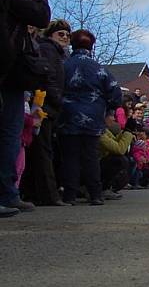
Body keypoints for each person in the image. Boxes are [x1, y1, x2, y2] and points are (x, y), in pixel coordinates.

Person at [0, 0, 50, 217]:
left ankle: (7, 191)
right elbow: (39, 17)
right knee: (7, 128)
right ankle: (5, 192)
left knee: (11, 128)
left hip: (11, 63)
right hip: (7, 60)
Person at [58, 30, 122, 205]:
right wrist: (108, 110)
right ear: (91, 46)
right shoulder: (100, 69)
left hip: (67, 116)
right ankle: (95, 194)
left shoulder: (64, 65)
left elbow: (54, 86)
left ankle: (69, 195)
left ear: (72, 44)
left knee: (70, 156)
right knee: (90, 156)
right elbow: (116, 93)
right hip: (93, 118)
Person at [19, 20, 70, 206]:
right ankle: (49, 195)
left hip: (48, 105)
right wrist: (55, 99)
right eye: (61, 34)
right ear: (51, 35)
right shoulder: (49, 50)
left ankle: (33, 192)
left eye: (67, 34)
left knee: (39, 150)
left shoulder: (57, 53)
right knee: (43, 150)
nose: (65, 37)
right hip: (43, 106)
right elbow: (47, 77)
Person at [99, 111, 133, 200]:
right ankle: (103, 188)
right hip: (93, 164)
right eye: (111, 116)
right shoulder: (99, 132)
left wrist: (123, 133)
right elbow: (119, 149)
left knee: (126, 162)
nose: (114, 119)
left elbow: (115, 141)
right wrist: (128, 134)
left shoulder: (104, 130)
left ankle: (107, 188)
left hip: (98, 162)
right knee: (119, 160)